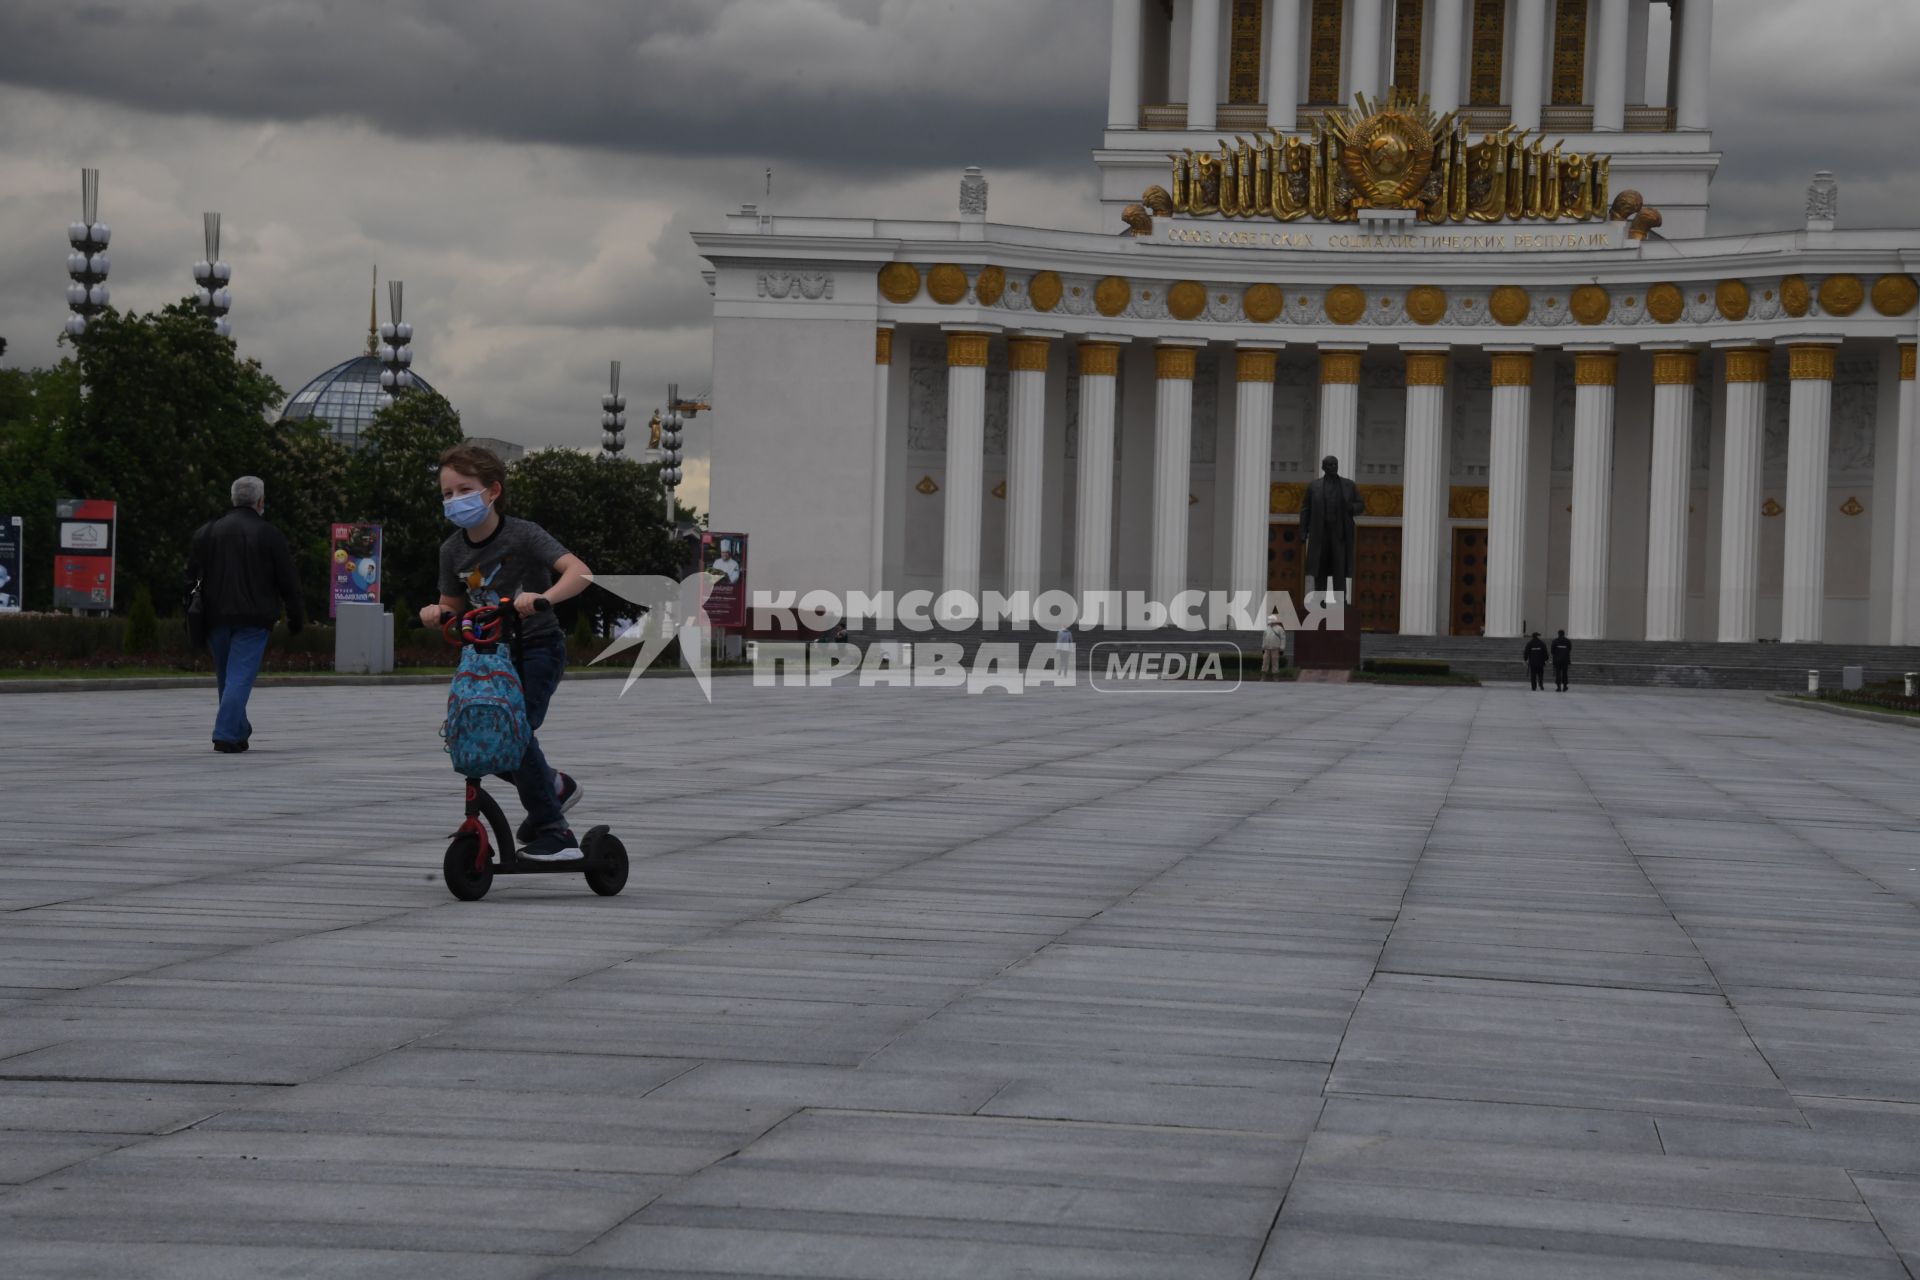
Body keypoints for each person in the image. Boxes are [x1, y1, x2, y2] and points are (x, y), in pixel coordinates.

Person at [422, 444, 593, 862]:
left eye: (464, 490)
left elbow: (580, 571)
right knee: (482, 739)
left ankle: (556, 831)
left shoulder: (524, 534)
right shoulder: (452, 550)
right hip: (486, 657)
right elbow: (454, 605)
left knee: (514, 736)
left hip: (536, 648)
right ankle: (553, 786)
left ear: (492, 490)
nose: (454, 500)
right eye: (447, 494)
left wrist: (544, 598)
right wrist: (437, 612)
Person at [187, 476, 305, 753]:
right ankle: (226, 733)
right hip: (254, 618)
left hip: (214, 616)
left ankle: (238, 729)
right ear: (260, 502)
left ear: (233, 499)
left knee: (227, 676)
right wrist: (295, 617)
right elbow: (288, 580)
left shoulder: (206, 532)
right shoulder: (269, 534)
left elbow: (190, 577)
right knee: (239, 676)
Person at [1260, 610, 1286, 678]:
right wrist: (1263, 647)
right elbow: (1264, 638)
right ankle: (1263, 676)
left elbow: (1283, 639)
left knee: (1275, 662)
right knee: (1265, 662)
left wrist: (1282, 648)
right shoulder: (1266, 628)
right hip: (1267, 648)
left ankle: (1275, 676)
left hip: (1275, 648)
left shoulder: (1279, 629)